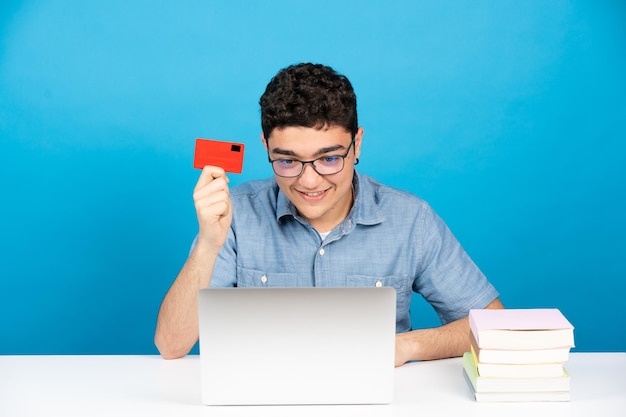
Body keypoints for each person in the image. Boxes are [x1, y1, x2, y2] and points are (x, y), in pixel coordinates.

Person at [154, 62, 504, 365]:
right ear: (266, 148)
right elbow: (171, 346)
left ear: (357, 145)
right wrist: (207, 246)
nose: (309, 181)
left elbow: (493, 326)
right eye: (288, 160)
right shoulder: (237, 214)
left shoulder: (411, 219)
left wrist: (405, 346)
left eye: (329, 159)